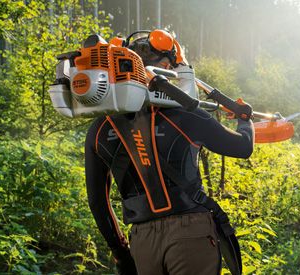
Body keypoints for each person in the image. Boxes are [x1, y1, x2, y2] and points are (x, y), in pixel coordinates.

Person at [84, 30, 253, 274]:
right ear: (166, 67)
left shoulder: (100, 129)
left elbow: (97, 202)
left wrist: (122, 254)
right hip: (191, 232)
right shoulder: (186, 113)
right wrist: (244, 120)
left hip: (142, 240)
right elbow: (242, 147)